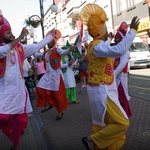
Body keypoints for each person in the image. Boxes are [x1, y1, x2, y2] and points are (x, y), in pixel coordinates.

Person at [79, 3, 140, 150]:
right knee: (122, 123)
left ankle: (98, 143)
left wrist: (109, 37)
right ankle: (91, 140)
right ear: (101, 31)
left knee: (106, 126)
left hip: (102, 90)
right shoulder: (99, 47)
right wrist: (132, 31)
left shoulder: (94, 45)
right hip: (103, 92)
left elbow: (106, 46)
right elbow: (119, 50)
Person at [0, 12, 58, 150]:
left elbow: (36, 47)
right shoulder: (2, 48)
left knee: (21, 121)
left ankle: (16, 144)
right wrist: (20, 37)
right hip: (4, 92)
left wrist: (50, 36)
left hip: (19, 92)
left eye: (11, 32)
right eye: (8, 33)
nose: (11, 35)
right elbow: (4, 51)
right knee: (3, 119)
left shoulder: (20, 49)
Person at [35, 31, 76, 120]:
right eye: (48, 42)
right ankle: (49, 104)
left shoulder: (57, 50)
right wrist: (36, 46)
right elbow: (36, 54)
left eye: (50, 42)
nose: (49, 43)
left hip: (56, 75)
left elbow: (64, 52)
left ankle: (60, 112)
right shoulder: (45, 52)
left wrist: (70, 49)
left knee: (57, 95)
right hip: (47, 75)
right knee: (39, 88)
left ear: (53, 42)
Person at [114, 22, 132, 118]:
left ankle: (124, 115)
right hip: (116, 77)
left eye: (116, 38)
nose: (115, 40)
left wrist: (113, 74)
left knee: (122, 96)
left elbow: (121, 65)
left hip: (121, 77)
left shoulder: (125, 51)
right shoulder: (117, 49)